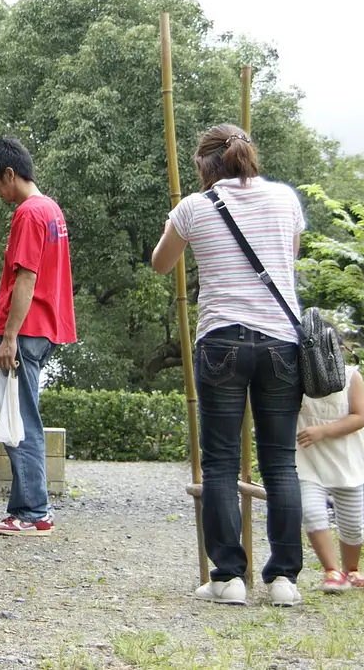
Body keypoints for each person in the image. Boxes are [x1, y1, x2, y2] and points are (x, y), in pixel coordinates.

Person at [152, 124, 307, 607]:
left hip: (220, 340)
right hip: (281, 342)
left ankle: (228, 579)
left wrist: (177, 227)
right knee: (280, 460)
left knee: (220, 460)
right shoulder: (285, 200)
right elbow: (289, 259)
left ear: (203, 165)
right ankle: (283, 581)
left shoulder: (195, 208)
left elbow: (161, 263)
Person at [0, 137, 76, 537]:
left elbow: (26, 277)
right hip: (48, 324)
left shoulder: (28, 213)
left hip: (27, 328)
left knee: (21, 421)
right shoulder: (51, 208)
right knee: (22, 416)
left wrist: (9, 337)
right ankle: (23, 508)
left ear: (9, 174)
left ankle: (35, 511)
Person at [297, 355, 364, 593]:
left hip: (347, 458)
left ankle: (351, 570)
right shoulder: (294, 375)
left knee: (352, 523)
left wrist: (324, 431)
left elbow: (360, 416)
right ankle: (332, 571)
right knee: (311, 512)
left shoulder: (351, 376)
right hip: (306, 457)